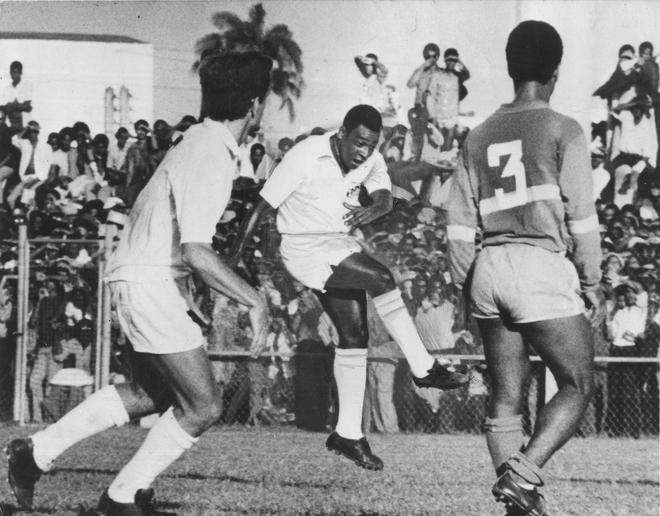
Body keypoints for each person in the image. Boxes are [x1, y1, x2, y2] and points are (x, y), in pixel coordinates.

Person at [4, 51, 272, 515]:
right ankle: (121, 497)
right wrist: (254, 300)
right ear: (255, 106)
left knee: (155, 393)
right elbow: (195, 251)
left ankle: (36, 453)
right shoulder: (211, 152)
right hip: (151, 282)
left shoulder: (198, 141)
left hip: (140, 277)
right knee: (203, 405)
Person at [234, 104, 467, 471]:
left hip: (338, 245)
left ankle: (347, 434)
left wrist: (377, 208)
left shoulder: (370, 157)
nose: (363, 151)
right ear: (342, 133)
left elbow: (384, 194)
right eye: (358, 142)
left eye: (370, 144)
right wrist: (233, 258)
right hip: (303, 247)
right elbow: (262, 207)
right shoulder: (306, 154)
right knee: (381, 277)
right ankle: (423, 367)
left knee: (355, 336)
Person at [445, 21, 605, 515]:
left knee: (506, 395)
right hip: (540, 264)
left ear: (511, 69)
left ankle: (520, 504)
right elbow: (582, 218)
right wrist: (593, 281)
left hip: (489, 267)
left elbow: (456, 226)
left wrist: (464, 288)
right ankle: (522, 476)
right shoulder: (564, 128)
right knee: (578, 383)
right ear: (555, 71)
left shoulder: (478, 135)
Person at [0, 61, 33, 132]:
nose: (13, 75)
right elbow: (3, 109)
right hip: (11, 127)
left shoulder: (26, 86)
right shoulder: (6, 89)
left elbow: (27, 107)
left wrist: (11, 105)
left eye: (15, 72)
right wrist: (19, 106)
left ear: (20, 73)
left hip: (24, 127)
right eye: (11, 72)